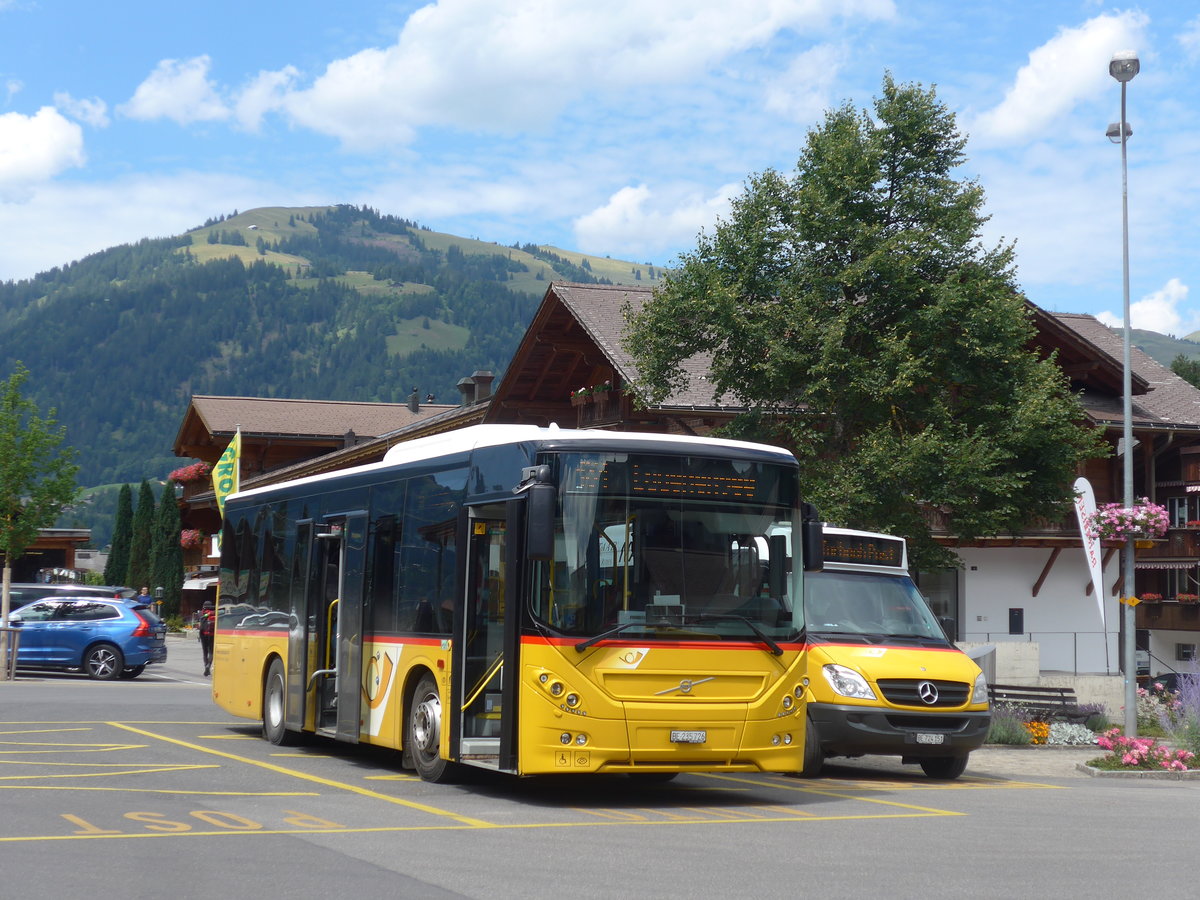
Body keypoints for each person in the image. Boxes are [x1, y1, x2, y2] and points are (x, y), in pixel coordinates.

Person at [198, 599, 215, 676]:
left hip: (203, 634)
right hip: (212, 634)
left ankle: (206, 667)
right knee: (211, 651)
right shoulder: (215, 613)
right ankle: (209, 665)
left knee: (205, 652)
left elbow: (199, 620)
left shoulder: (202, 613)